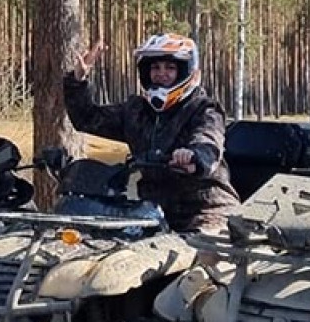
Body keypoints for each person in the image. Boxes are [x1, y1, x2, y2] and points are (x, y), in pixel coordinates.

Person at [63, 32, 240, 233]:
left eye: (170, 67)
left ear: (187, 72)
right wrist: (77, 80)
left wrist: (195, 156)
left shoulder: (204, 109)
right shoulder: (136, 111)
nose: (161, 73)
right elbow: (88, 119)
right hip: (153, 212)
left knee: (202, 245)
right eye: (155, 67)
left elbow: (208, 140)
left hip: (206, 211)